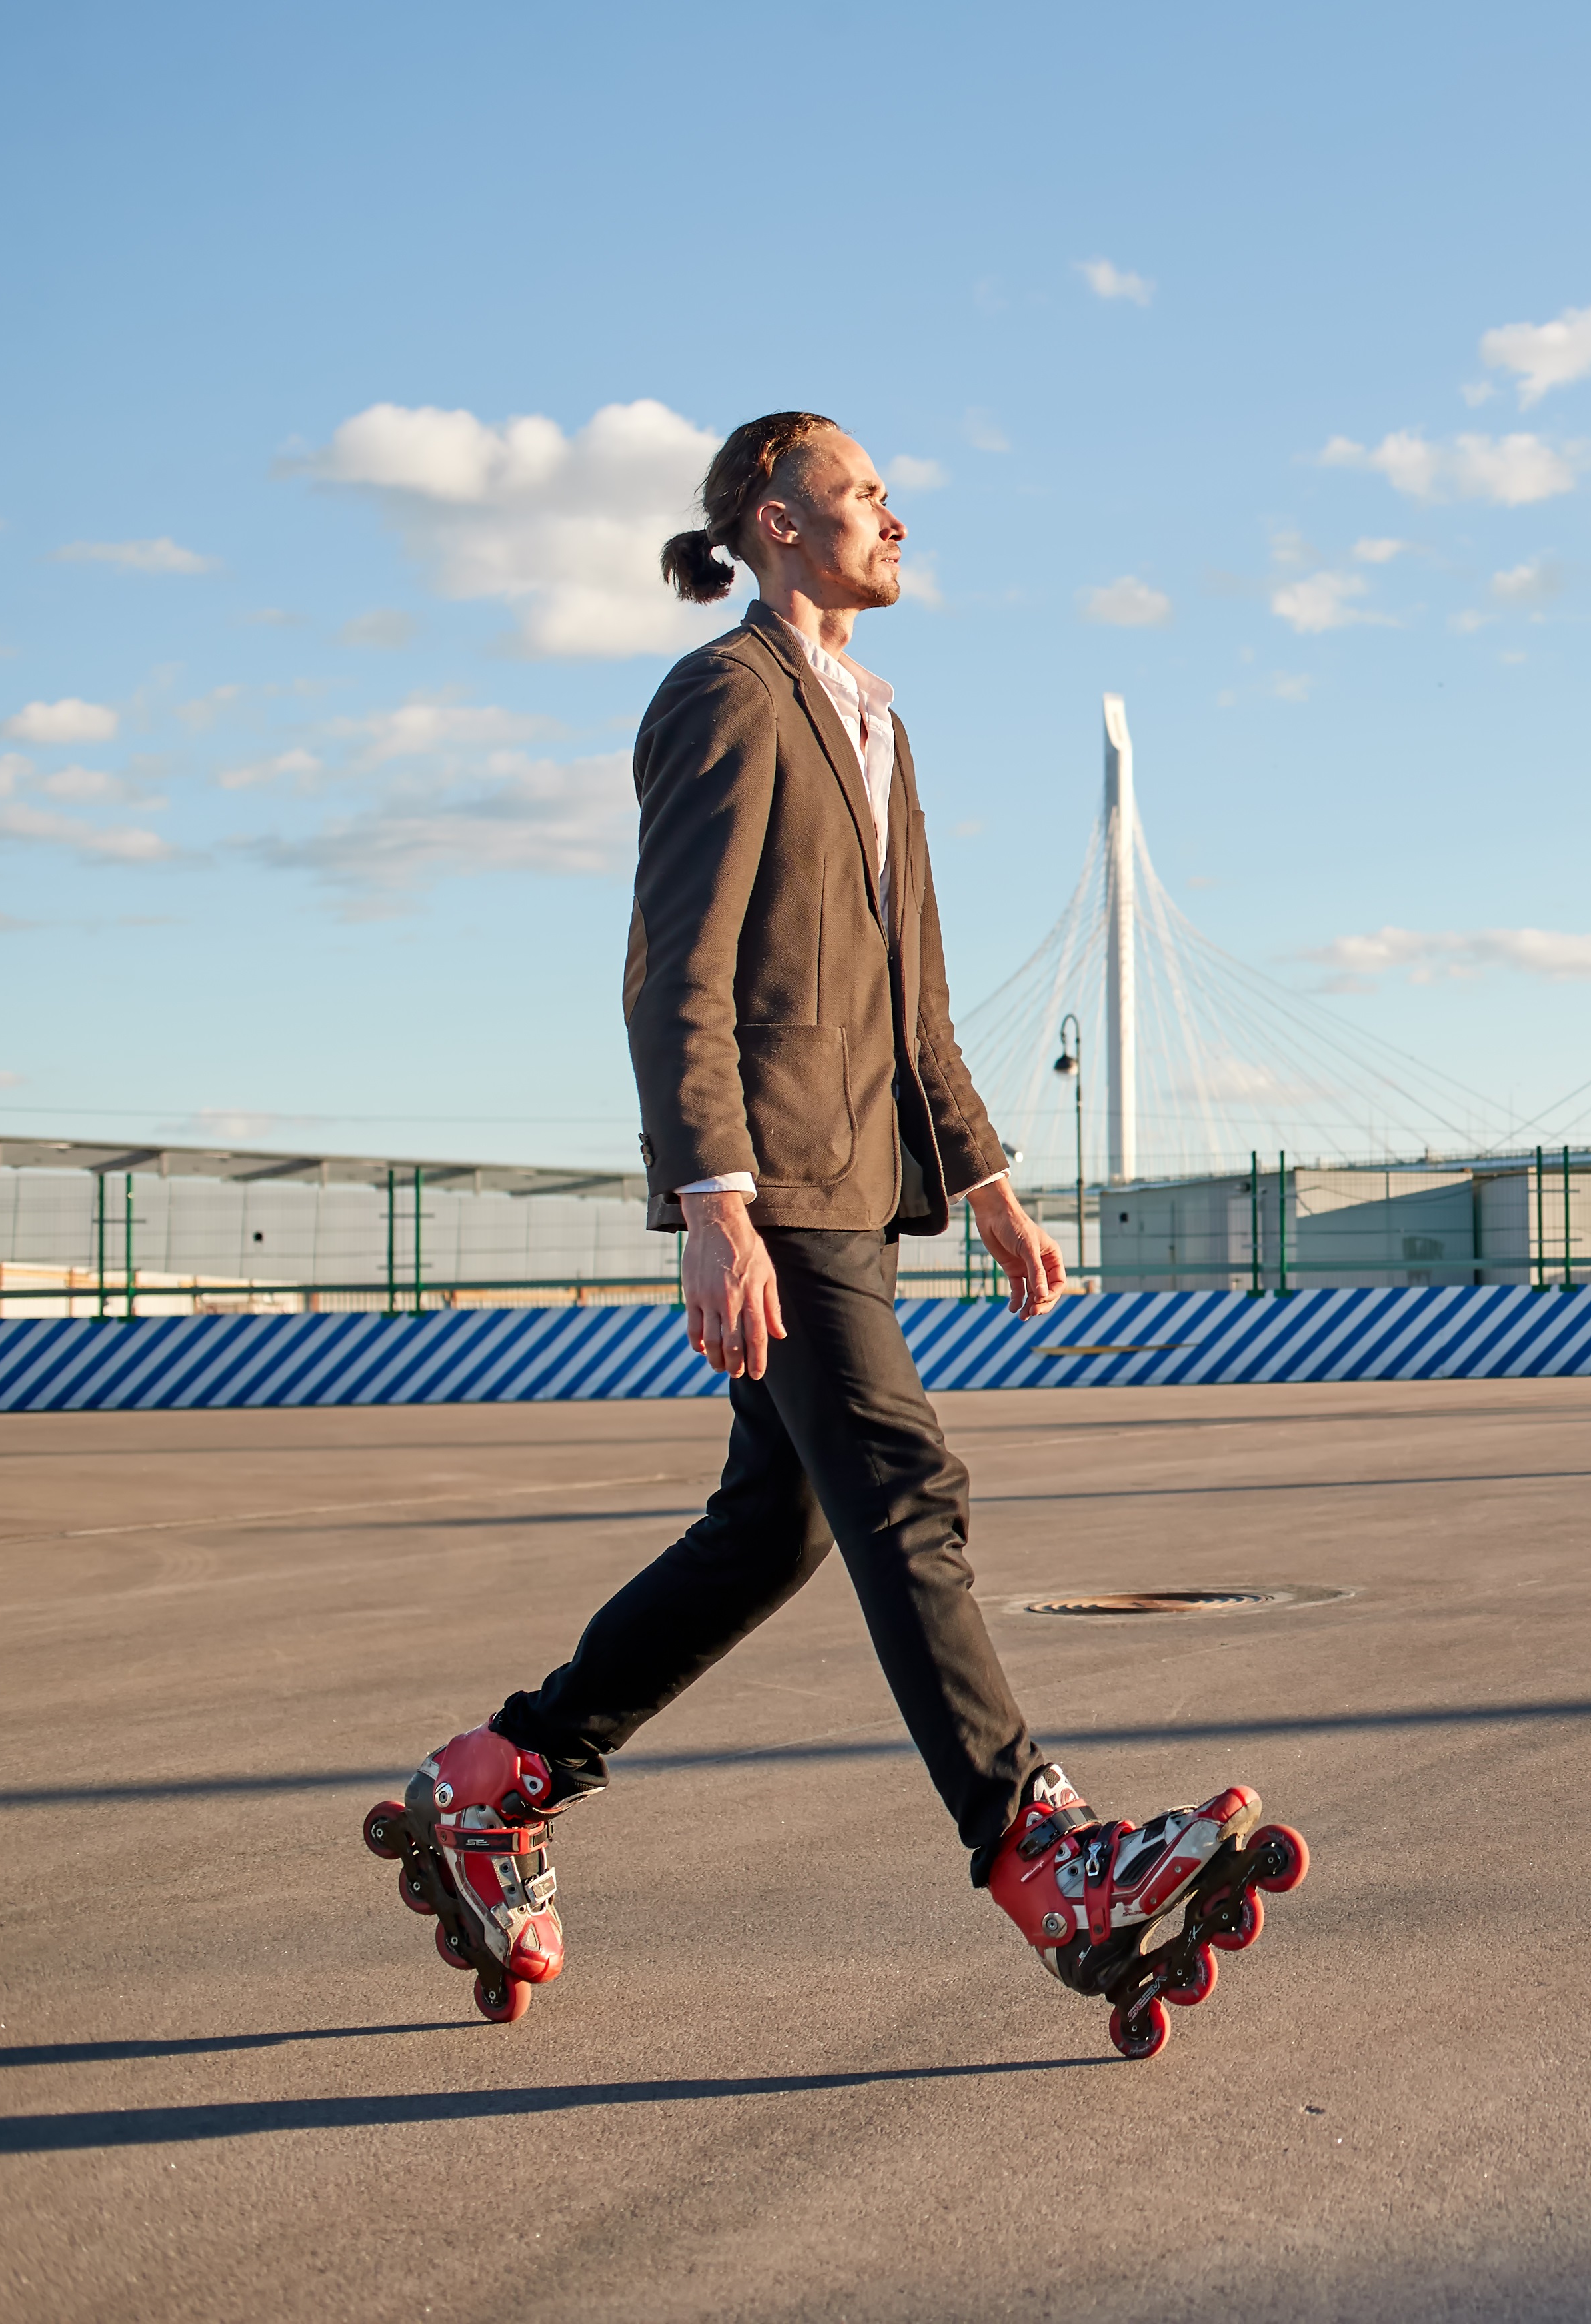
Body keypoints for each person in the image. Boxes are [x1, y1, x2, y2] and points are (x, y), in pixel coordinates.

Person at [373, 413, 1290, 2039]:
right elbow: (681, 970)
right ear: (775, 519)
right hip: (779, 1184)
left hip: (858, 1179)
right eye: (870, 494)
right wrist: (712, 1202)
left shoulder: (876, 721)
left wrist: (990, 1181)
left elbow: (908, 996)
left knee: (775, 1530)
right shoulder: (726, 696)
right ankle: (1041, 1851)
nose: (898, 519)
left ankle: (502, 1781)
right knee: (900, 1483)